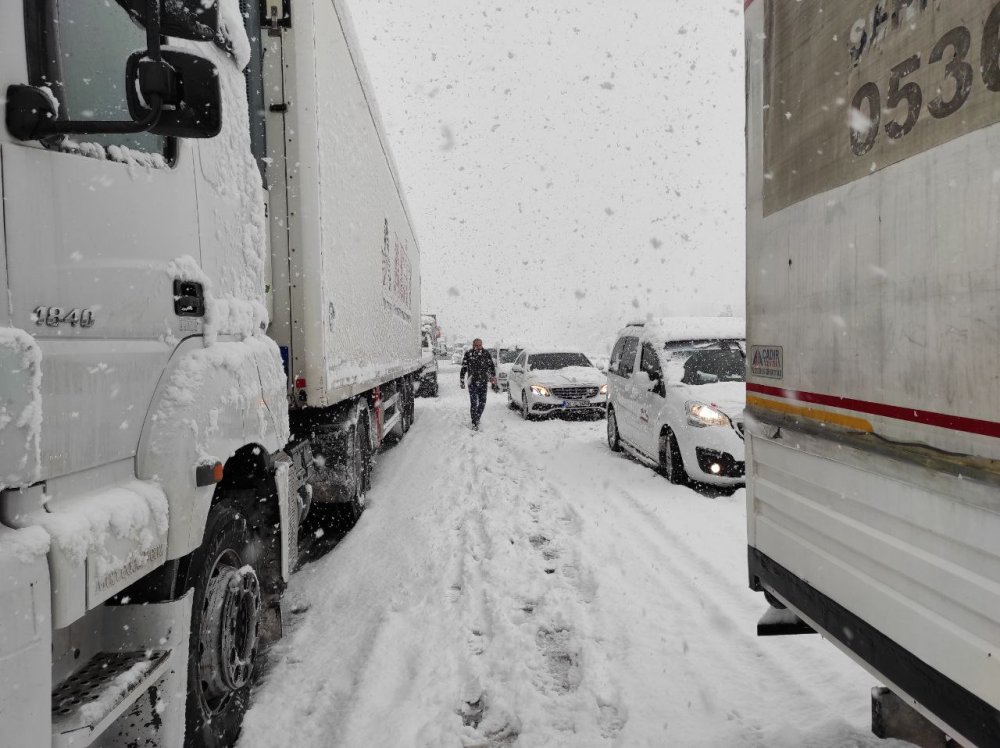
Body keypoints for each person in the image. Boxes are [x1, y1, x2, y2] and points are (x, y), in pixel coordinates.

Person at [460, 339, 497, 430]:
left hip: (483, 382)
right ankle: (474, 422)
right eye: (476, 345)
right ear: (473, 345)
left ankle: (477, 417)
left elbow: (491, 366)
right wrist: (461, 380)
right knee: (473, 402)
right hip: (472, 382)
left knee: (482, 402)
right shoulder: (469, 354)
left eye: (480, 345)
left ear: (482, 345)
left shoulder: (486, 354)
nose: (478, 347)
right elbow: (464, 367)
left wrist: (493, 377)